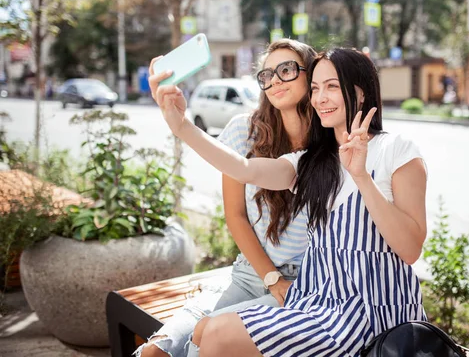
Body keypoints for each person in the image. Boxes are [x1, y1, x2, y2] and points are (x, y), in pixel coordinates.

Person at [150, 47, 428, 357]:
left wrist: (362, 176)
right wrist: (181, 126)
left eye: (332, 86)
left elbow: (410, 249)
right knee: (204, 332)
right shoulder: (312, 162)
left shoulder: (397, 150)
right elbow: (243, 169)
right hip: (316, 303)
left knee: (215, 335)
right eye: (315, 89)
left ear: (361, 93)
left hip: (372, 315)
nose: (320, 98)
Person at [138, 39, 316, 357]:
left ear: (311, 75)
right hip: (251, 273)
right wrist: (271, 277)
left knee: (209, 341)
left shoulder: (328, 141)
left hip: (307, 284)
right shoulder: (242, 131)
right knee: (155, 352)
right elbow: (235, 214)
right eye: (267, 74)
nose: (274, 80)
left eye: (286, 70)